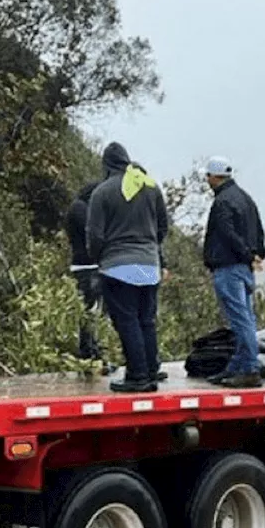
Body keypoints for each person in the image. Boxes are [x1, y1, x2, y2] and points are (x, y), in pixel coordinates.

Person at [86, 142, 169, 393]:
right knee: (146, 320)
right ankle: (152, 371)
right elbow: (163, 226)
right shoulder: (151, 188)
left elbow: (95, 234)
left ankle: (138, 376)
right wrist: (151, 248)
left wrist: (99, 258)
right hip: (149, 264)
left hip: (118, 266)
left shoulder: (102, 192)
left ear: (107, 165)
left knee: (127, 320)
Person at [201, 156, 265, 388]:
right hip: (245, 270)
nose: (207, 180)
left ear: (215, 177)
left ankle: (249, 368)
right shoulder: (245, 199)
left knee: (240, 321)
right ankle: (236, 367)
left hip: (229, 268)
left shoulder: (222, 202)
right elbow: (259, 230)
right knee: (246, 317)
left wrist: (246, 254)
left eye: (208, 175)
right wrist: (257, 254)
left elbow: (227, 233)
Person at [66, 158, 112, 373]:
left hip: (84, 267)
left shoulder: (77, 207)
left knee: (92, 314)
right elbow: (93, 234)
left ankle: (92, 354)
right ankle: (90, 355)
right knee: (91, 314)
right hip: (87, 268)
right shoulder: (81, 210)